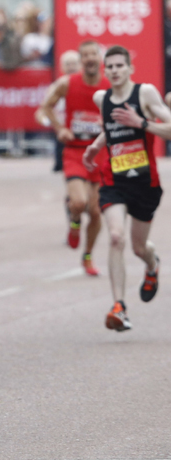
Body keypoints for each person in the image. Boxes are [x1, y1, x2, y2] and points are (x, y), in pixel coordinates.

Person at [83, 46, 171, 331]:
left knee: (137, 247)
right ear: (105, 70)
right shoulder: (101, 98)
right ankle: (119, 307)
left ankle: (152, 263)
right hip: (114, 181)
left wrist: (141, 123)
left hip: (145, 184)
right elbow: (111, 126)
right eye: (110, 67)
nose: (115, 70)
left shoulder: (145, 94)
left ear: (130, 68)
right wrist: (95, 147)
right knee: (116, 237)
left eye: (120, 65)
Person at [39, 41, 108, 275]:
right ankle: (75, 222)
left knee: (97, 211)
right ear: (81, 60)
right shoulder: (68, 83)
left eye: (93, 54)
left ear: (100, 58)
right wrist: (60, 129)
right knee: (79, 202)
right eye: (85, 55)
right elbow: (47, 106)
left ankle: (87, 256)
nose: (89, 58)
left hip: (100, 153)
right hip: (76, 151)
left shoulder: (109, 85)